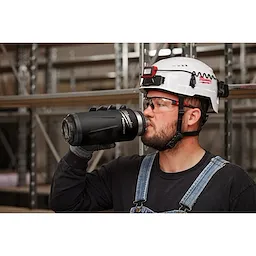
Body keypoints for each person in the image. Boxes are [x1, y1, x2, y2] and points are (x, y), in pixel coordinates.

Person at [49, 56, 256, 213]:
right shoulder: (123, 173)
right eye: (148, 103)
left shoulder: (232, 184)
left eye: (161, 104)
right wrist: (81, 151)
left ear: (192, 116)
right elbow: (65, 203)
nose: (147, 111)